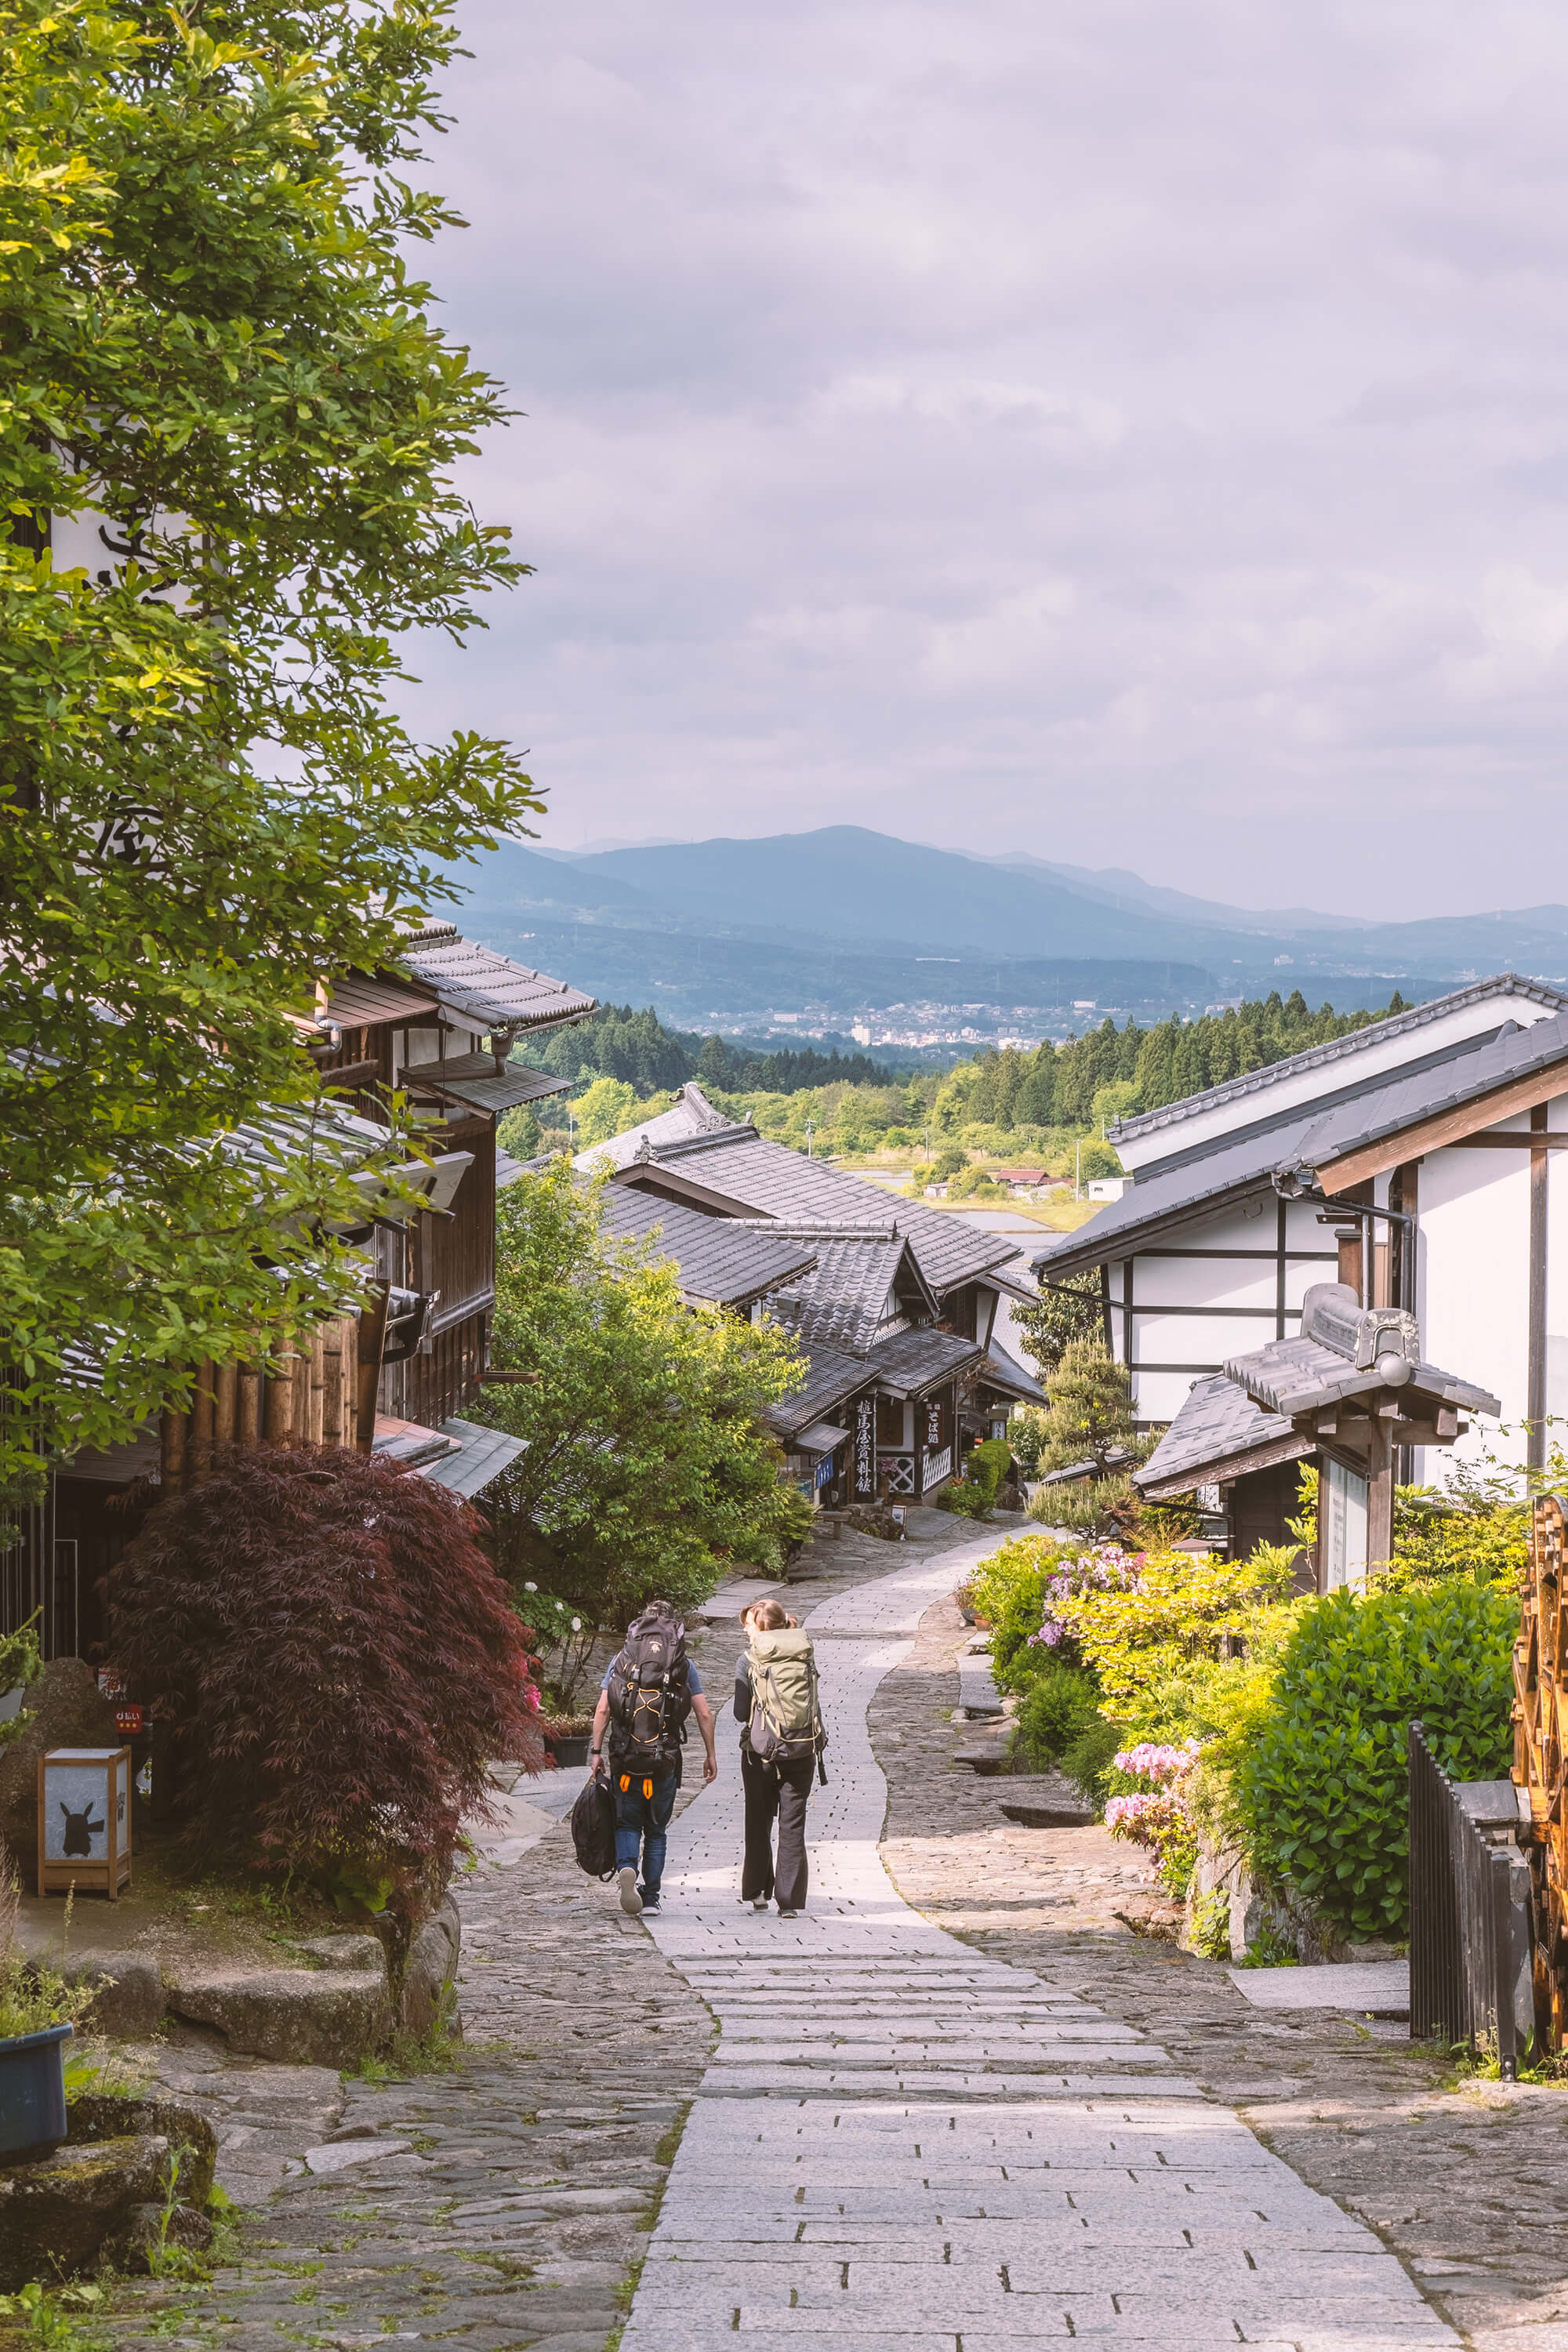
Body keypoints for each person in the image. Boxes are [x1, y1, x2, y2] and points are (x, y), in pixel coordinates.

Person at [589, 1599, 717, 1918]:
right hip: (664, 1759)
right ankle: (651, 1898)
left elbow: (603, 1709)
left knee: (627, 1823)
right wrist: (710, 1754)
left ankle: (627, 1867)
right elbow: (703, 1713)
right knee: (657, 1830)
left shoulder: (622, 1660)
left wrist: (595, 1751)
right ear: (674, 1629)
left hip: (625, 1756)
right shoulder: (683, 1665)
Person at [734, 1599, 825, 1918]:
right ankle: (788, 1902)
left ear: (762, 1627)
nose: (745, 1630)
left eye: (749, 1624)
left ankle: (758, 1891)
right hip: (801, 1748)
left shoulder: (748, 1660)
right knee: (793, 1823)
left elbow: (739, 1713)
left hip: (759, 1752)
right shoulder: (803, 1654)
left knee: (758, 1821)